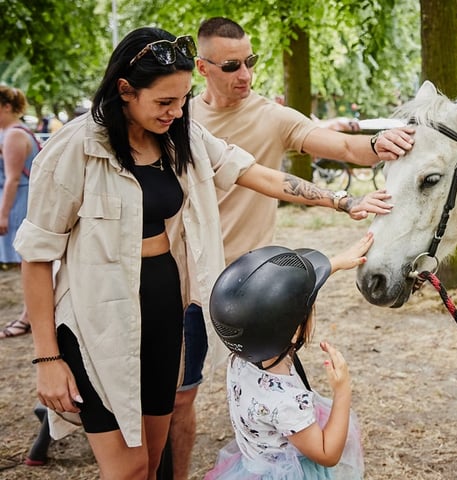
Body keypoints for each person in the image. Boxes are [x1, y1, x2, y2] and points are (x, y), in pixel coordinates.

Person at [13, 26, 391, 479]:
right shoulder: (75, 148)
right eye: (164, 102)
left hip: (163, 309)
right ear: (125, 90)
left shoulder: (180, 136)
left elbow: (257, 174)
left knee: (153, 461)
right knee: (128, 469)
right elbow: (36, 257)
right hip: (97, 323)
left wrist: (343, 201)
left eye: (182, 100)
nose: (176, 112)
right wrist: (47, 359)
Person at [164, 16, 414, 480]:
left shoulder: (271, 116)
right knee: (179, 400)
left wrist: (377, 143)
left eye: (251, 62)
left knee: (274, 391)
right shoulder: (178, 117)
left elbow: (341, 145)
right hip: (186, 284)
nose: (246, 75)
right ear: (202, 67)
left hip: (253, 292)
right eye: (232, 65)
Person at [204, 235, 372, 479]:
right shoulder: (286, 402)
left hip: (255, 463)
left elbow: (272, 303)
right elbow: (327, 453)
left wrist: (334, 264)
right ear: (293, 332)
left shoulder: (242, 354)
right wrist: (342, 390)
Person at [0, 85, 40, 338]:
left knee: (27, 265)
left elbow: (13, 179)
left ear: (6, 106)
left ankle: (28, 317)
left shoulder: (14, 134)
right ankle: (29, 315)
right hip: (19, 201)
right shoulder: (16, 131)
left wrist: (3, 214)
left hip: (18, 203)